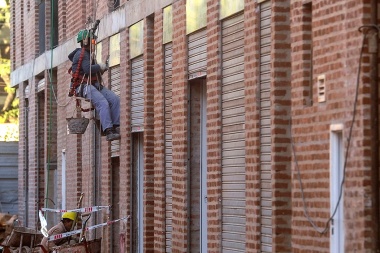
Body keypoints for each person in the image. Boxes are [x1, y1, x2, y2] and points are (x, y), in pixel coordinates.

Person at [68, 29, 121, 141]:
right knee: (103, 103)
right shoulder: (81, 54)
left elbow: (92, 72)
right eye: (92, 41)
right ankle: (108, 130)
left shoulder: (89, 54)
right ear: (86, 41)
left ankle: (115, 126)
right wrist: (99, 66)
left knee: (114, 99)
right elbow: (87, 69)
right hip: (83, 86)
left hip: (94, 84)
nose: (94, 44)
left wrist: (101, 69)